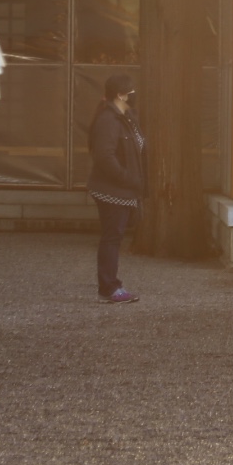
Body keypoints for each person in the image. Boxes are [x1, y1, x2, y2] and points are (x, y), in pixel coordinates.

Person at [86, 72, 144, 303]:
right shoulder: (109, 120)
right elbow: (104, 156)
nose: (134, 94)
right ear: (121, 95)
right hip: (112, 190)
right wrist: (127, 178)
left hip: (120, 188)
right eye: (131, 90)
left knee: (114, 236)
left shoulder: (123, 117)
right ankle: (108, 288)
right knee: (112, 237)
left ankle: (110, 286)